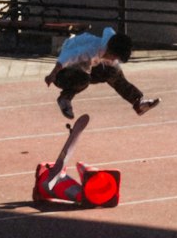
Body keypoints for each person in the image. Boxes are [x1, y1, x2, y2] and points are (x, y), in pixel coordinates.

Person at [33, 26, 158, 204]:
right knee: (83, 79)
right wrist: (52, 75)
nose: (114, 59)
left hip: (86, 67)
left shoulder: (109, 47)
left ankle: (138, 103)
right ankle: (64, 99)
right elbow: (65, 59)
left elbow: (111, 37)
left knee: (114, 72)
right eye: (113, 56)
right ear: (108, 50)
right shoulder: (88, 50)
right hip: (63, 72)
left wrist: (112, 61)